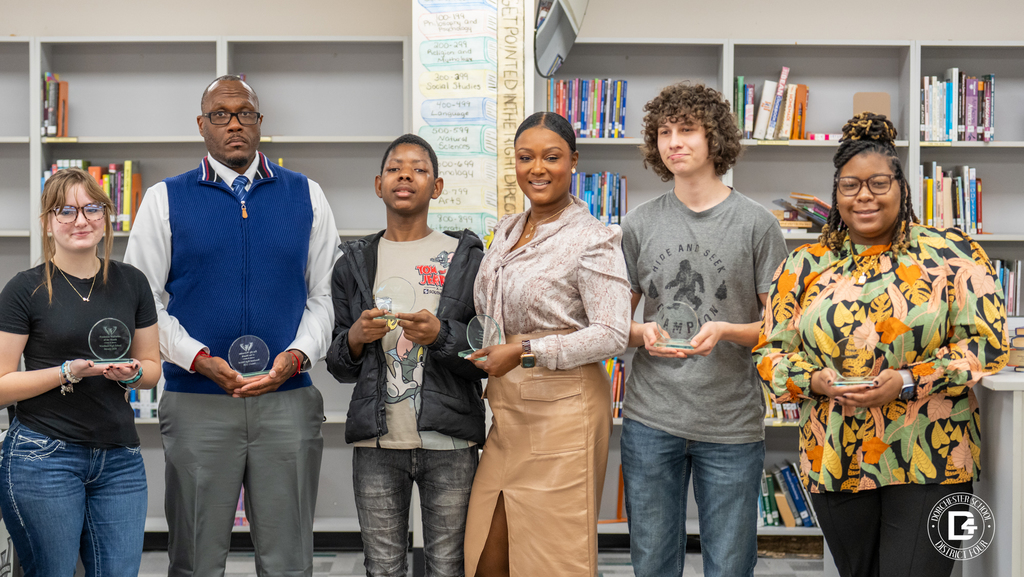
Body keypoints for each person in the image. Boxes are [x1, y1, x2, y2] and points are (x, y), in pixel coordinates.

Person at [754, 112, 1008, 577]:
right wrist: (813, 380)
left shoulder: (953, 253)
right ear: (836, 194)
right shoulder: (803, 264)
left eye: (877, 183)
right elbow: (770, 353)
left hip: (935, 454)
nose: (864, 196)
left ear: (902, 188)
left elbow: (987, 346)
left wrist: (909, 381)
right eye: (850, 186)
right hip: (835, 453)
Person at [123, 75, 340, 576]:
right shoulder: (163, 199)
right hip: (197, 402)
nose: (234, 123)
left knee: (288, 561)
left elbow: (326, 295)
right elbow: (143, 301)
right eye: (220, 114)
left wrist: (296, 357)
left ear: (261, 123)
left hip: (286, 399)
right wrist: (198, 359)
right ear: (202, 125)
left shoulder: (306, 194)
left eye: (245, 113)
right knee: (196, 560)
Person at [619, 82, 788, 577]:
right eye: (665, 132)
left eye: (687, 130)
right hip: (651, 420)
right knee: (651, 562)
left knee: (731, 565)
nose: (674, 142)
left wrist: (727, 331)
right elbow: (615, 322)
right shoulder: (638, 225)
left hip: (731, 425)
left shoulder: (758, 225)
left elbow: (779, 329)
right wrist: (640, 334)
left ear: (714, 139)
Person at [464, 111, 631, 577]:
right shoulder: (508, 229)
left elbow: (613, 331)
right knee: (484, 556)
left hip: (564, 414)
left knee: (553, 562)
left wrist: (526, 349)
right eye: (525, 157)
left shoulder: (593, 239)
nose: (537, 168)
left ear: (573, 161)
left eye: (551, 157)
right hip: (507, 414)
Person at [326, 134, 486, 577]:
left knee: (450, 567)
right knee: (382, 567)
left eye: (419, 169)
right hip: (377, 443)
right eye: (396, 168)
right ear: (378, 184)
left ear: (436, 187)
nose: (405, 176)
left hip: (450, 441)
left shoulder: (466, 258)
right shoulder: (353, 262)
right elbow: (339, 364)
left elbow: (485, 349)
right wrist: (356, 337)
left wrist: (441, 335)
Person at [0, 168, 161, 576]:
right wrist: (66, 372)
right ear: (48, 223)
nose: (81, 220)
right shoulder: (25, 289)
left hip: (120, 458)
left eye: (92, 208)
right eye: (65, 210)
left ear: (106, 216)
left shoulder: (132, 282)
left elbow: (152, 370)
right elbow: (1, 387)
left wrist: (129, 374)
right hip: (43, 457)